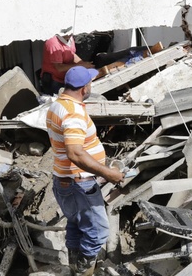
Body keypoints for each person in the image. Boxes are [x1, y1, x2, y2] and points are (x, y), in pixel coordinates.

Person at [47, 66, 125, 275]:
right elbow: (76, 154)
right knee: (98, 232)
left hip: (64, 180)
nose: (91, 85)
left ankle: (74, 268)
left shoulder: (58, 105)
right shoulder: (73, 113)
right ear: (84, 88)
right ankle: (83, 272)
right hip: (78, 183)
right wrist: (108, 173)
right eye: (90, 82)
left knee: (76, 225)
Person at [40, 29, 95, 95]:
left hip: (65, 78)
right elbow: (59, 67)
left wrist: (84, 64)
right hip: (53, 81)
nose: (70, 34)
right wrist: (81, 66)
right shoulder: (53, 43)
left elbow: (72, 54)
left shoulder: (70, 38)